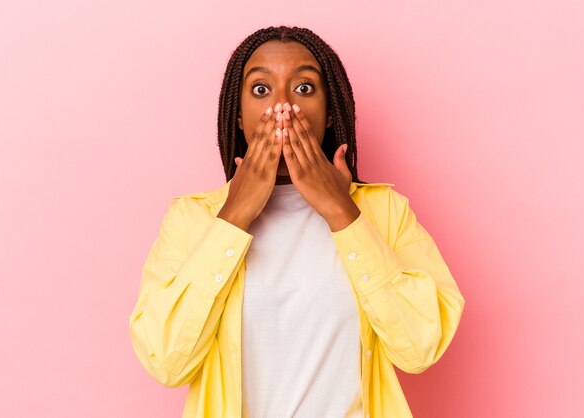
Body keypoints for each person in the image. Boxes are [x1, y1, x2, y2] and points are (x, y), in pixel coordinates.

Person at [129, 25, 466, 418]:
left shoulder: (386, 213)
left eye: (304, 88)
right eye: (261, 90)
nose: (282, 107)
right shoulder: (190, 220)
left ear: (329, 112)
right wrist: (234, 215)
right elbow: (166, 363)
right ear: (237, 116)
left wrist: (343, 213)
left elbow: (420, 348)